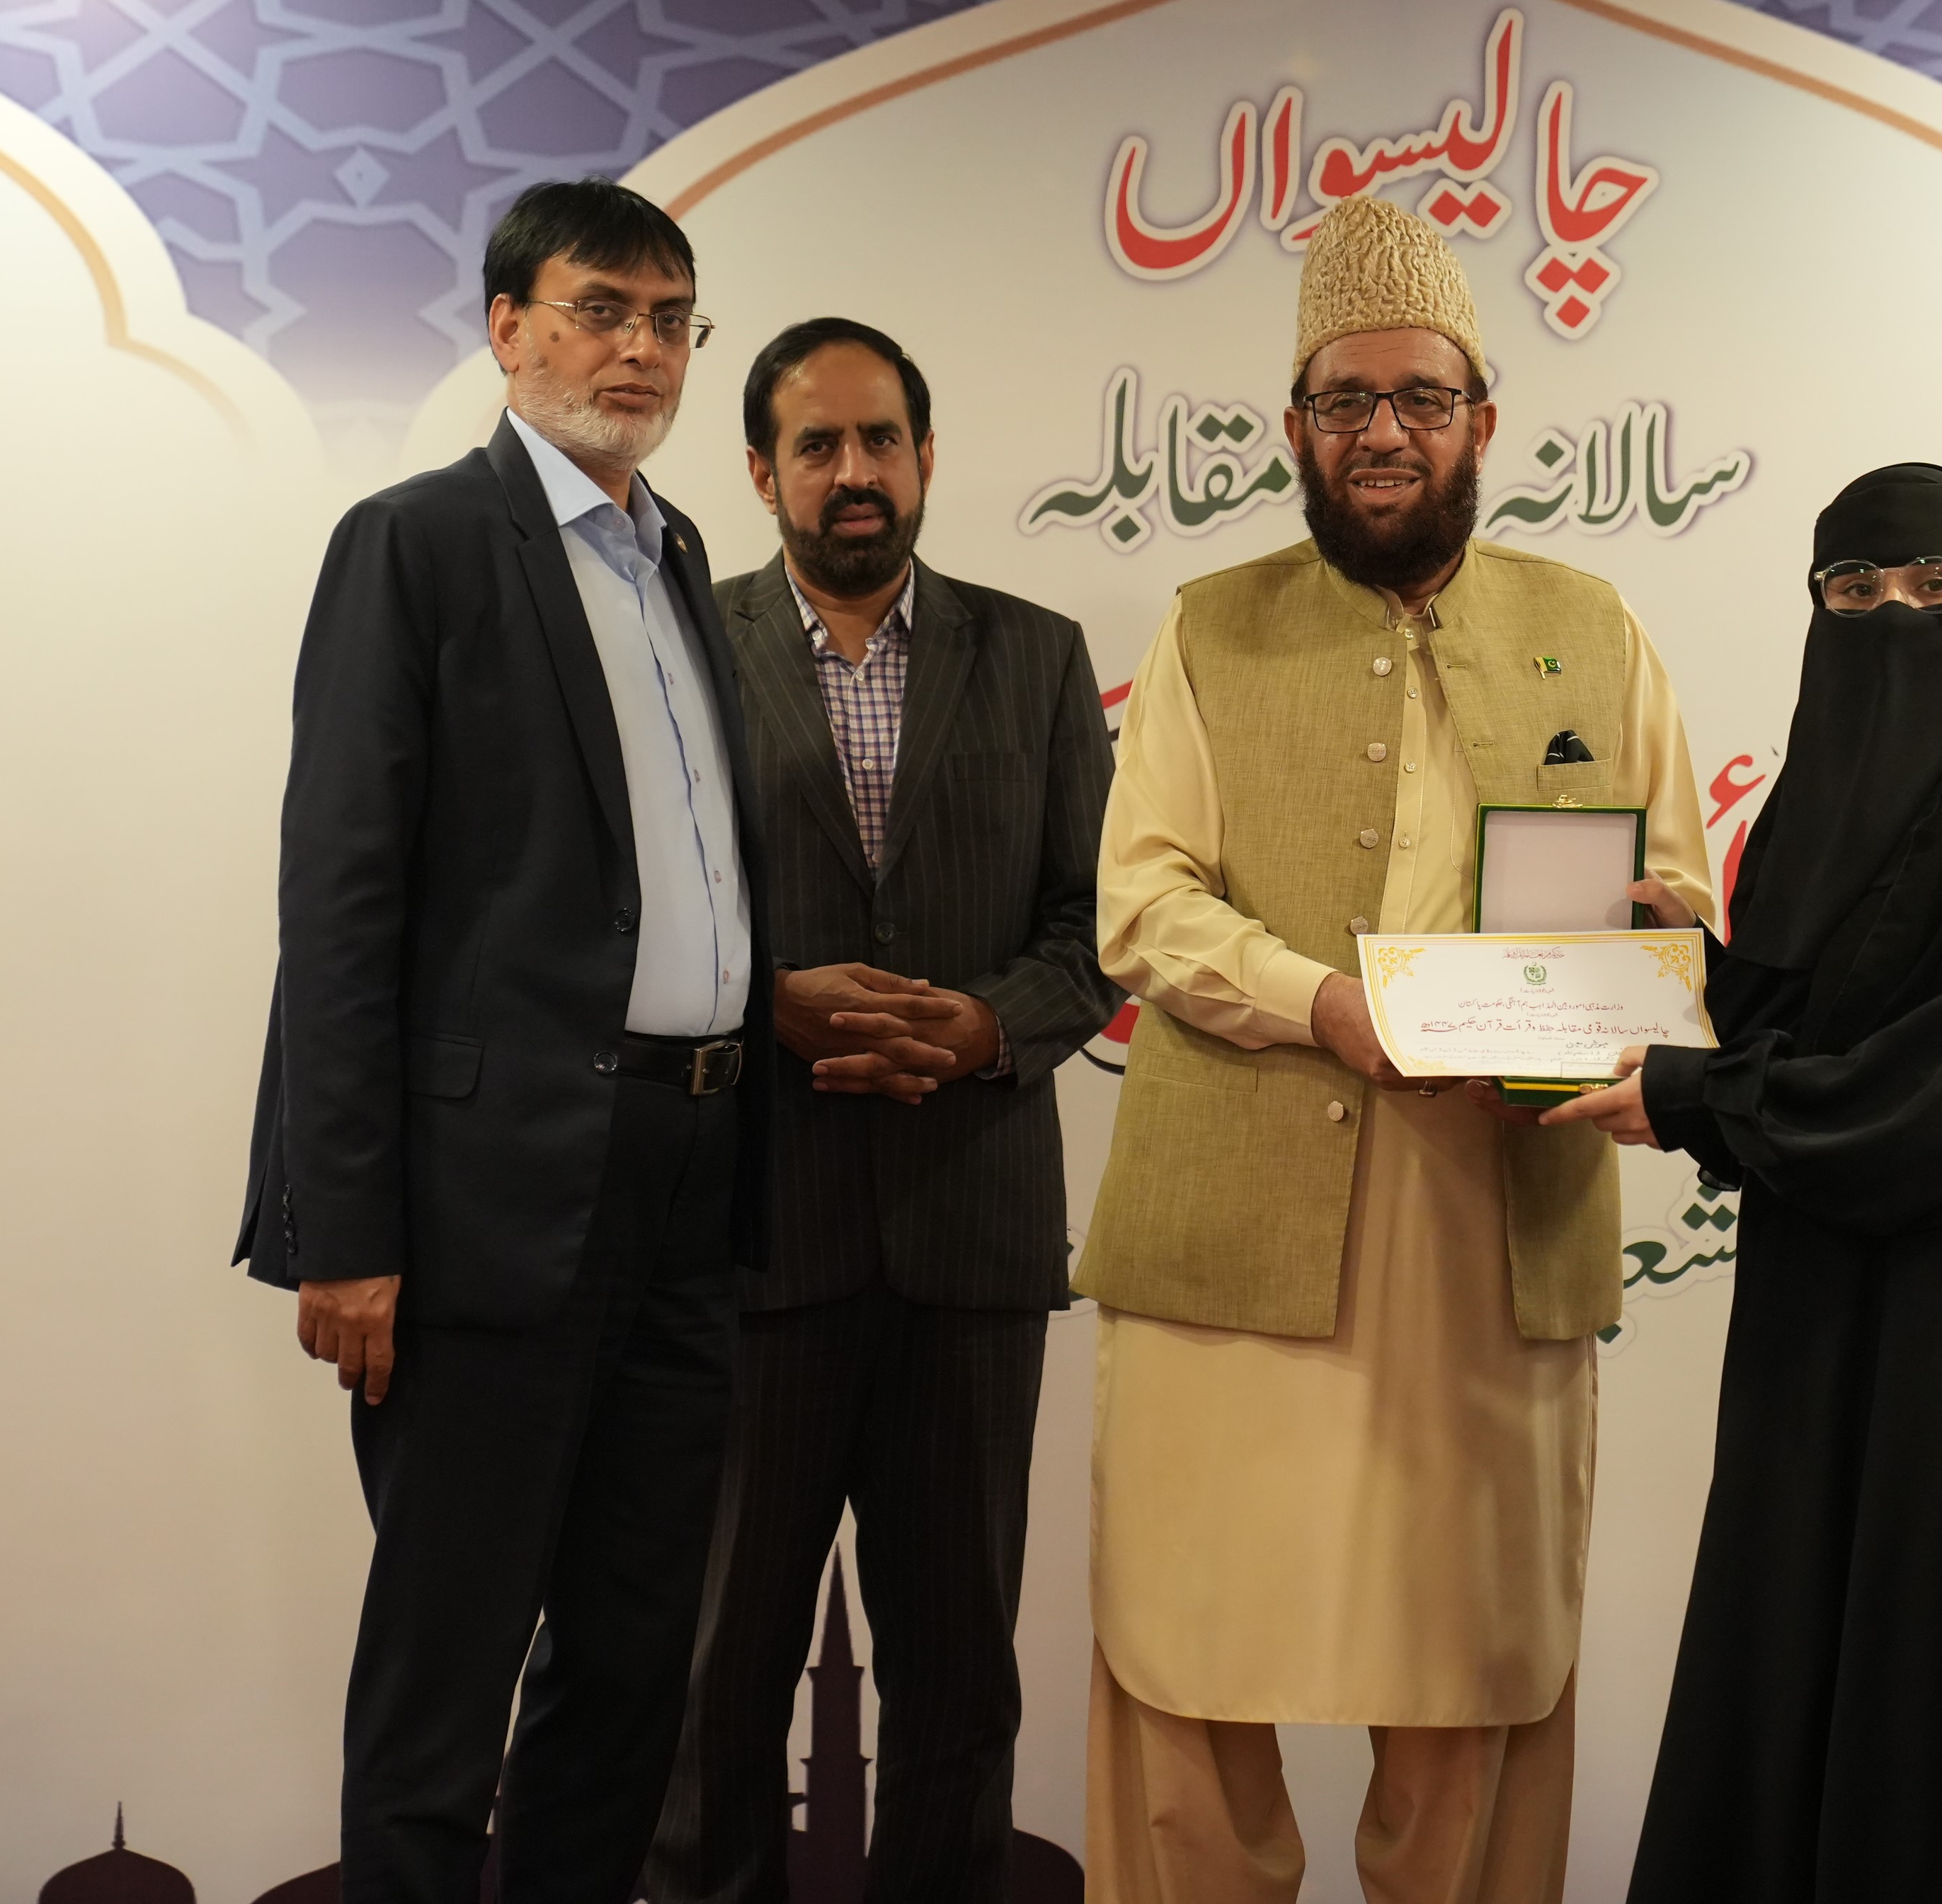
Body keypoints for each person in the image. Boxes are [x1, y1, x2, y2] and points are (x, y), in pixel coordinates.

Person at [1075, 193, 1713, 1904]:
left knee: (1471, 1664)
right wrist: (1324, 1005)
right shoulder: (1208, 625)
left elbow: (1683, 904)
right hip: (1233, 1219)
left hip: (1486, 1217)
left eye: (1419, 399)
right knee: (1189, 1651)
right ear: (1291, 428)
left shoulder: (1592, 623)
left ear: (1481, 421)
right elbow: (1141, 906)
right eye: (1345, 400)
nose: (1381, 433)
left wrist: (1640, 974)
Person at [236, 178, 773, 1904]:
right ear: (506, 327)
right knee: (445, 1678)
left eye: (670, 320)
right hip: (487, 1202)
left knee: (629, 1672)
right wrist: (347, 1231)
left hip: (689, 1186)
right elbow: (340, 911)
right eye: (599, 309)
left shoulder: (678, 556)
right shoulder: (417, 542)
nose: (641, 350)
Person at [1545, 464, 1942, 1904]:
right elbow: (1810, 1031)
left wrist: (1705, 1095)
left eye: (1936, 588)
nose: (1895, 618)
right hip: (1814, 1317)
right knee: (1792, 1644)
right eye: (1855, 589)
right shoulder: (1805, 814)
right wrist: (1682, 973)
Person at [642, 318, 1118, 1904]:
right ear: (760, 469)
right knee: (714, 1681)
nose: (855, 472)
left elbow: (1096, 927)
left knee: (957, 1688)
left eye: (882, 440)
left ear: (924, 457)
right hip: (750, 1245)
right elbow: (629, 914)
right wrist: (765, 1000)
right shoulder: (677, 647)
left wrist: (985, 1029)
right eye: (819, 445)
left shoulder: (1037, 654)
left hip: (968, 1245)